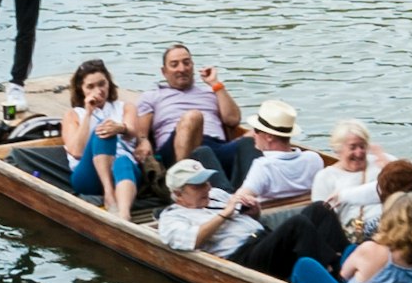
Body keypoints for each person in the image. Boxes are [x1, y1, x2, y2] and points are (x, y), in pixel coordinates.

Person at [133, 45, 246, 186]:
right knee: (193, 117)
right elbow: (141, 132)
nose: (182, 69)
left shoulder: (211, 92)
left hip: (214, 147)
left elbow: (233, 119)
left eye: (186, 63)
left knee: (256, 135)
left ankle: (244, 192)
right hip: (174, 151)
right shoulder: (152, 96)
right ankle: (181, 183)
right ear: (164, 72)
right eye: (174, 65)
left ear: (192, 66)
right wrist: (143, 141)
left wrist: (215, 84)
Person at [58, 60, 141, 221]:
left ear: (109, 83)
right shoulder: (74, 115)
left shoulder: (125, 107)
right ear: (81, 90)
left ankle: (124, 215)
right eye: (91, 87)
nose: (98, 91)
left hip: (122, 173)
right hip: (88, 176)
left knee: (123, 160)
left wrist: (120, 128)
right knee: (103, 132)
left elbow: (133, 130)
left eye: (102, 84)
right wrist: (88, 114)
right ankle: (109, 194)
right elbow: (76, 151)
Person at [228, 100, 319, 213]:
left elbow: (237, 201)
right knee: (245, 143)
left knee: (205, 152)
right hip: (303, 212)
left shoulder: (263, 166)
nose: (253, 134)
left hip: (269, 219)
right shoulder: (314, 159)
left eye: (256, 130)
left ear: (269, 137)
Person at [312, 121, 385, 236]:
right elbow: (321, 220)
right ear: (338, 150)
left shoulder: (379, 163)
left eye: (362, 146)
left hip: (391, 225)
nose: (359, 152)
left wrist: (385, 162)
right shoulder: (325, 177)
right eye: (353, 147)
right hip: (354, 236)